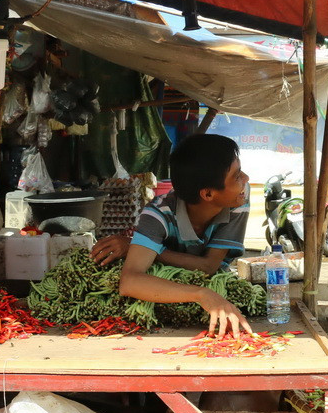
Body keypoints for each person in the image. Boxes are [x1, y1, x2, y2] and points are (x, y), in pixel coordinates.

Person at [90, 134, 251, 336]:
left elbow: (209, 266)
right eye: (237, 176)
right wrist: (201, 294)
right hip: (166, 298)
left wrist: (144, 249)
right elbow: (129, 282)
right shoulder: (157, 216)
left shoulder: (238, 199)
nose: (246, 179)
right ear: (208, 194)